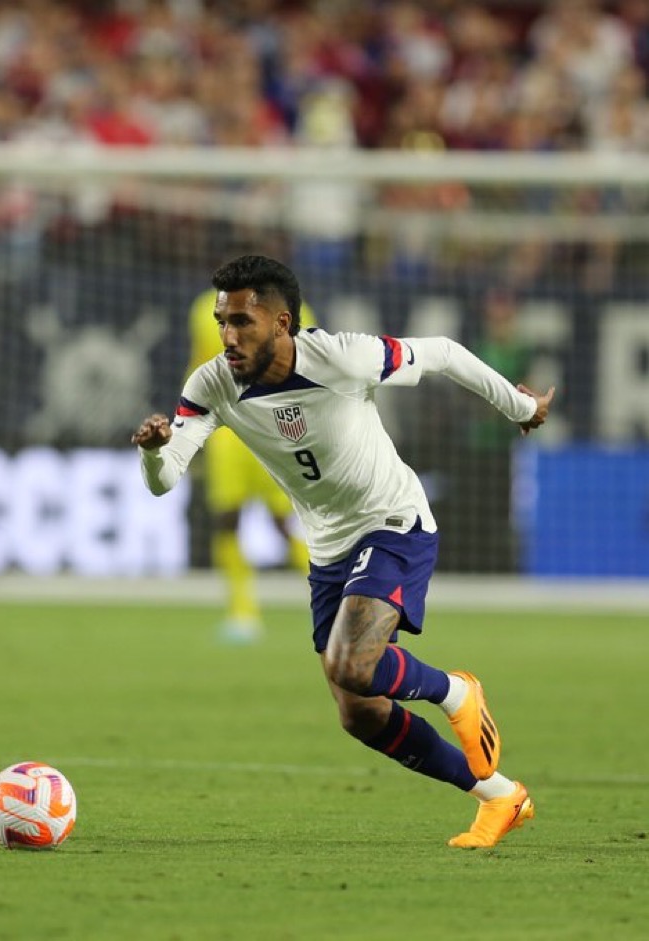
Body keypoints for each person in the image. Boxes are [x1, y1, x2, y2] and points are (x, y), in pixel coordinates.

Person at [132, 255, 554, 848]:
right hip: (329, 548)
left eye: (242, 323)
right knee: (359, 712)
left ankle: (456, 691)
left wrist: (519, 406)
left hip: (393, 521)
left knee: (351, 665)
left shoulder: (341, 356)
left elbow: (443, 353)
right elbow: (166, 477)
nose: (228, 335)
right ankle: (501, 796)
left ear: (282, 323)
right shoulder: (212, 384)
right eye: (221, 320)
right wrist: (154, 450)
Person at [186, 286, 314, 643]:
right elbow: (199, 368)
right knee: (228, 520)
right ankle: (242, 614)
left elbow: (306, 364)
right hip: (228, 431)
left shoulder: (289, 307)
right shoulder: (204, 308)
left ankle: (330, 600)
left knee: (283, 521)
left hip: (271, 427)